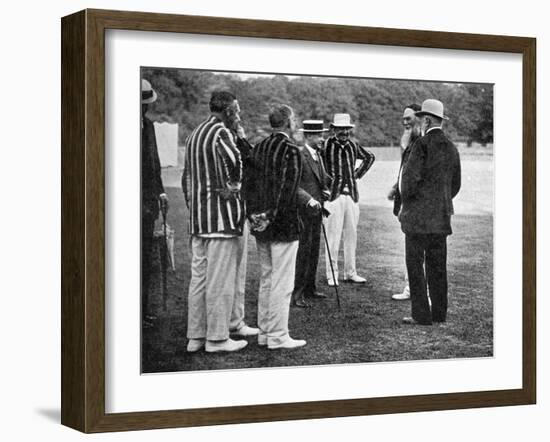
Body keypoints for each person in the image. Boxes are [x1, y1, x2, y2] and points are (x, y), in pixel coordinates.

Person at [181, 90, 249, 353]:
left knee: (198, 279)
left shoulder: (193, 134)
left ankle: (195, 337)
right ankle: (218, 339)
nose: (239, 115)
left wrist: (195, 207)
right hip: (220, 221)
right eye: (237, 110)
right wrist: (234, 186)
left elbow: (188, 178)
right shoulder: (222, 133)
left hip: (199, 221)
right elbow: (235, 162)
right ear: (229, 111)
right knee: (220, 280)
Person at [246, 104, 308, 349]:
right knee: (282, 282)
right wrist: (271, 215)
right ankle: (278, 336)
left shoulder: (259, 147)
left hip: (261, 224)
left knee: (267, 279)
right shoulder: (291, 149)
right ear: (289, 122)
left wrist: (256, 216)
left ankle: (265, 333)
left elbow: (248, 185)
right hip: (283, 224)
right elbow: (288, 190)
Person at [398, 99, 461, 325]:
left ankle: (421, 315)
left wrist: (411, 206)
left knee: (415, 266)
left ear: (426, 120)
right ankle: (439, 314)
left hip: (418, 219)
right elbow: (455, 185)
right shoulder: (452, 147)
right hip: (441, 218)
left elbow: (409, 183)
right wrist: (439, 202)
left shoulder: (421, 145)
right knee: (438, 266)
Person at [321, 113, 375, 287]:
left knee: (351, 235)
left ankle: (350, 273)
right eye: (340, 129)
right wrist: (326, 181)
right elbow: (316, 164)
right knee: (333, 236)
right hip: (333, 196)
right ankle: (332, 274)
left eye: (347, 129)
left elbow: (369, 158)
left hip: (351, 195)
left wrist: (356, 175)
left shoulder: (353, 145)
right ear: (334, 130)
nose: (344, 132)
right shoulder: (326, 146)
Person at [292, 120, 332, 308]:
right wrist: (309, 199)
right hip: (303, 211)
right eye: (318, 136)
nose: (322, 139)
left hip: (316, 212)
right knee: (303, 252)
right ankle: (297, 293)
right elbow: (295, 185)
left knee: (314, 250)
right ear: (308, 136)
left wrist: (326, 190)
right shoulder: (300, 156)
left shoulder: (318, 156)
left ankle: (310, 288)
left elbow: (321, 180)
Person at [141, 79, 168, 328]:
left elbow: (155, 162)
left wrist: (160, 192)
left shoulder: (148, 126)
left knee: (145, 258)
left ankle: (142, 310)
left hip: (148, 203)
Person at [388, 104, 422, 301]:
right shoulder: (410, 142)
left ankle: (416, 290)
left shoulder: (420, 143)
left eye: (408, 118)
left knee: (417, 250)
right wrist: (396, 187)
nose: (404, 122)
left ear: (418, 119)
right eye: (403, 118)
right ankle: (411, 288)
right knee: (411, 249)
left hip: (416, 207)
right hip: (407, 204)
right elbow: (405, 172)